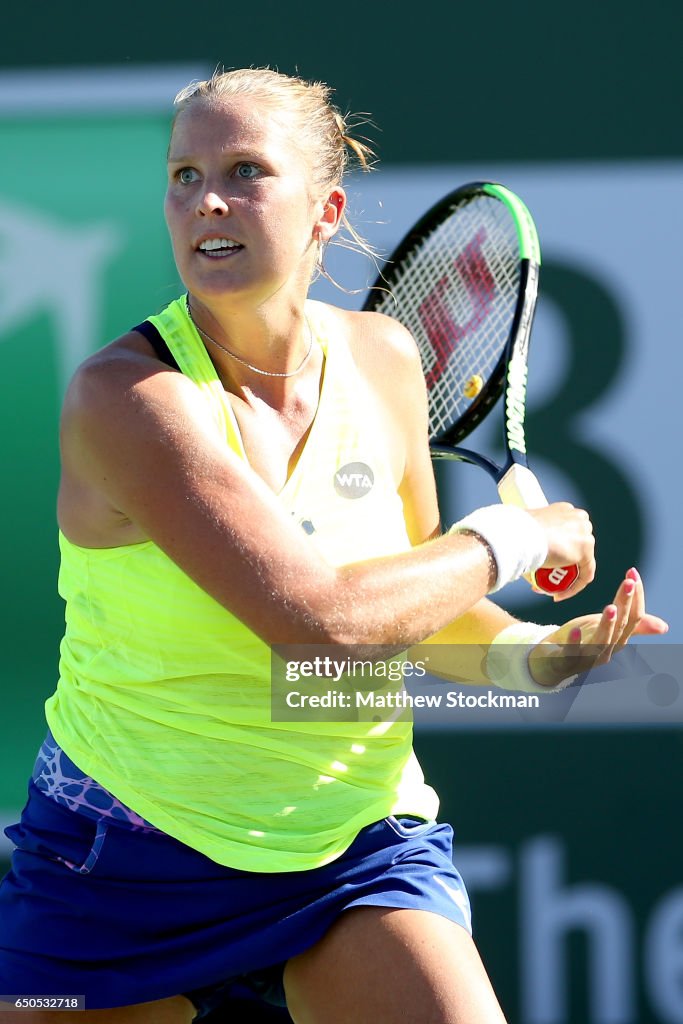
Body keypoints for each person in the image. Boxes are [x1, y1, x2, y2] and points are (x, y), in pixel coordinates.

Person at [0, 68, 667, 1024]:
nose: (208, 200)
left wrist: (537, 658)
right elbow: (322, 627)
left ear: (326, 209)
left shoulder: (387, 359)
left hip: (350, 843)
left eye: (244, 170)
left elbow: (409, 612)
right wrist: (516, 534)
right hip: (122, 862)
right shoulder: (128, 400)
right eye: (183, 175)